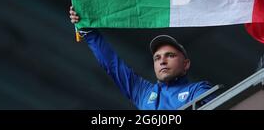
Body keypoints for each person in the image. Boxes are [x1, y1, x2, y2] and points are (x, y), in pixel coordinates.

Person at [69, 6, 213, 110]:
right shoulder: (143, 92)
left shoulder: (198, 90)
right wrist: (87, 30)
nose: (162, 61)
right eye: (157, 58)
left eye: (170, 55)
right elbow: (112, 64)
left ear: (186, 64)